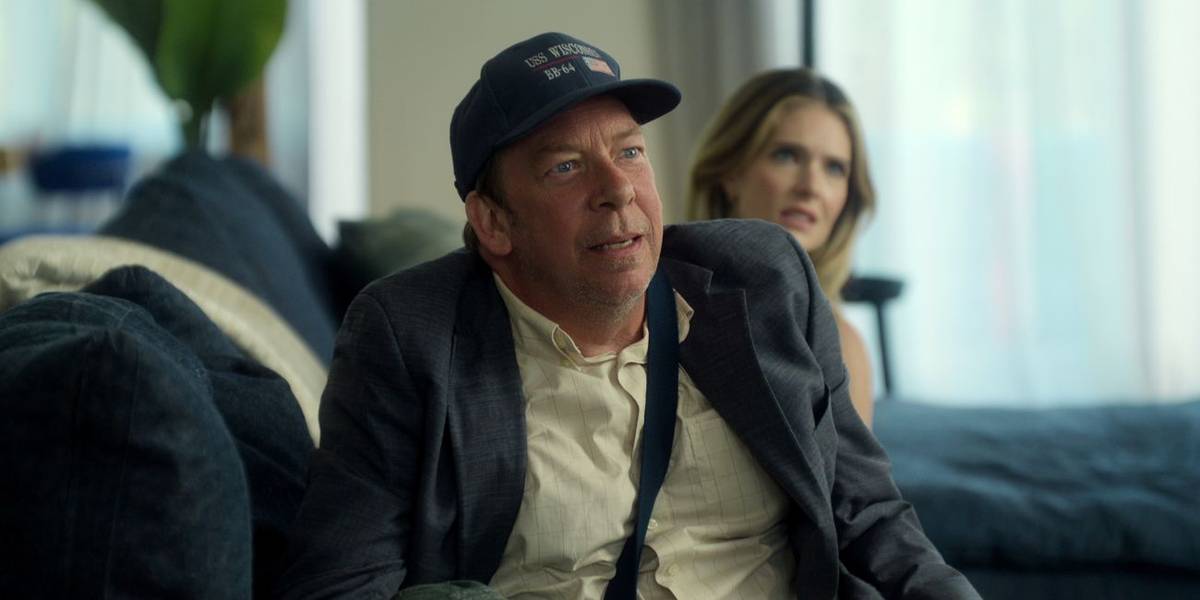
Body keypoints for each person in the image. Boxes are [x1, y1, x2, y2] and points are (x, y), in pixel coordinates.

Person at [279, 32, 979, 600]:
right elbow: (339, 584)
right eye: (565, 167)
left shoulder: (766, 280)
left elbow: (868, 514)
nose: (617, 189)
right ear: (493, 221)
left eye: (630, 152)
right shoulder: (411, 337)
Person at [688, 69, 877, 428]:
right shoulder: (656, 313)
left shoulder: (844, 348)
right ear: (731, 171)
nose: (811, 186)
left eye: (834, 168)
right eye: (787, 155)